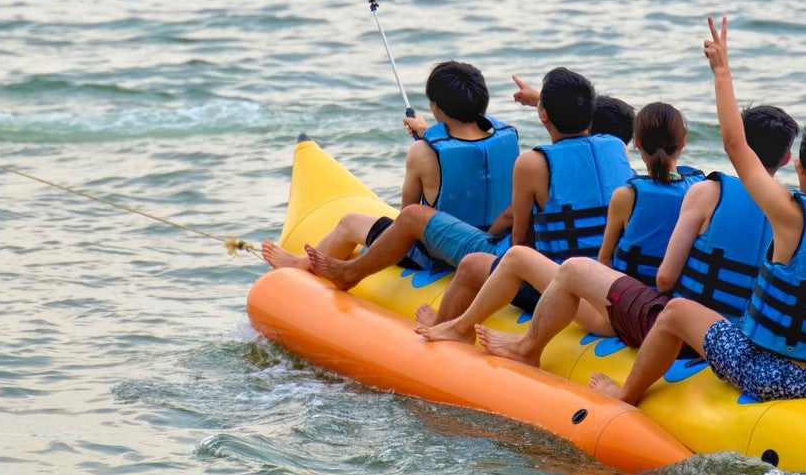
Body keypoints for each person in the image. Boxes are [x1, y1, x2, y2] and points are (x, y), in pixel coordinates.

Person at [591, 16, 806, 405]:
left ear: (800, 167)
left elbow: (736, 145)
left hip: (776, 376)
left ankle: (625, 394)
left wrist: (722, 71)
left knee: (676, 311)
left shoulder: (792, 216)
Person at [459, 103, 799, 366]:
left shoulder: (686, 194)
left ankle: (502, 341)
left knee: (527, 258)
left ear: (636, 144)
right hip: (733, 332)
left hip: (639, 317)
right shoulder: (790, 215)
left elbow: (650, 275)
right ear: (786, 159)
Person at [307, 68, 628, 296]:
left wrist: (430, 140)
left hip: (524, 266)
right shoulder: (614, 147)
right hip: (602, 273)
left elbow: (518, 240)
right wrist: (539, 101)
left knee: (399, 218)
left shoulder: (531, 163)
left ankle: (341, 272)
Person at [415, 100, 699, 344]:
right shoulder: (697, 191)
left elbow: (603, 264)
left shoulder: (627, 195)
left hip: (617, 315)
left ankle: (467, 330)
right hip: (666, 310)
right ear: (683, 143)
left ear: (636, 143)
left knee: (518, 257)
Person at [260, 61, 518, 275]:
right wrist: (429, 133)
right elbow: (469, 152)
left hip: (440, 254)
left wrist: (428, 141)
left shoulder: (422, 152)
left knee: (349, 222)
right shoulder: (507, 139)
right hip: (493, 246)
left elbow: (406, 217)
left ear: (435, 106)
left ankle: (302, 265)